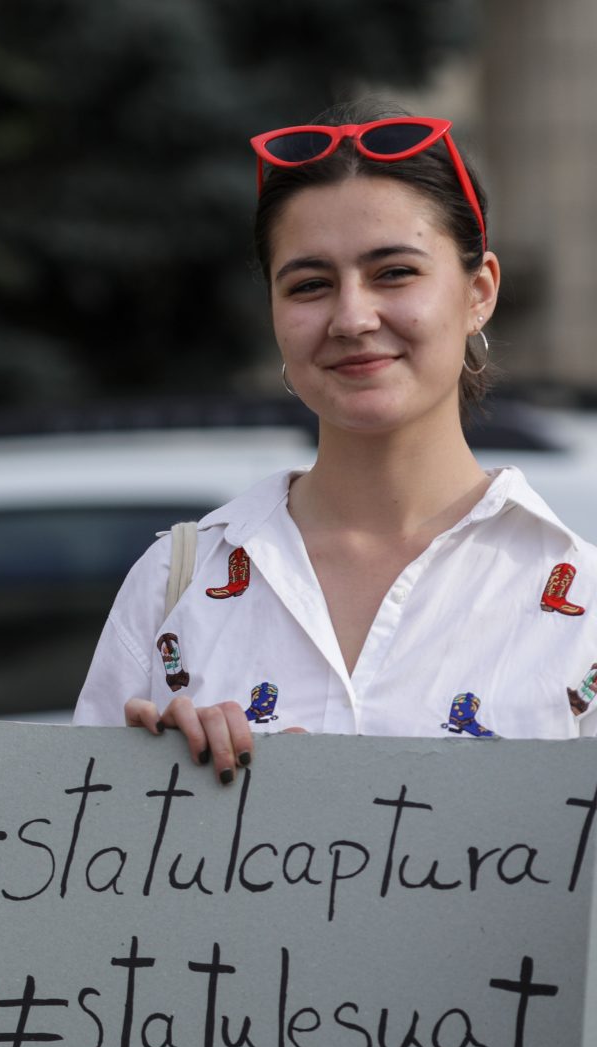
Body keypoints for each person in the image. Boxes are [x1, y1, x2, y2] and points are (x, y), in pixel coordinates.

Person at [76, 100, 597, 757]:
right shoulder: (172, 586)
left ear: (479, 291)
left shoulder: (582, 607)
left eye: (395, 273)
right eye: (309, 285)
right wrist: (160, 795)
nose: (352, 317)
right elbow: (81, 846)